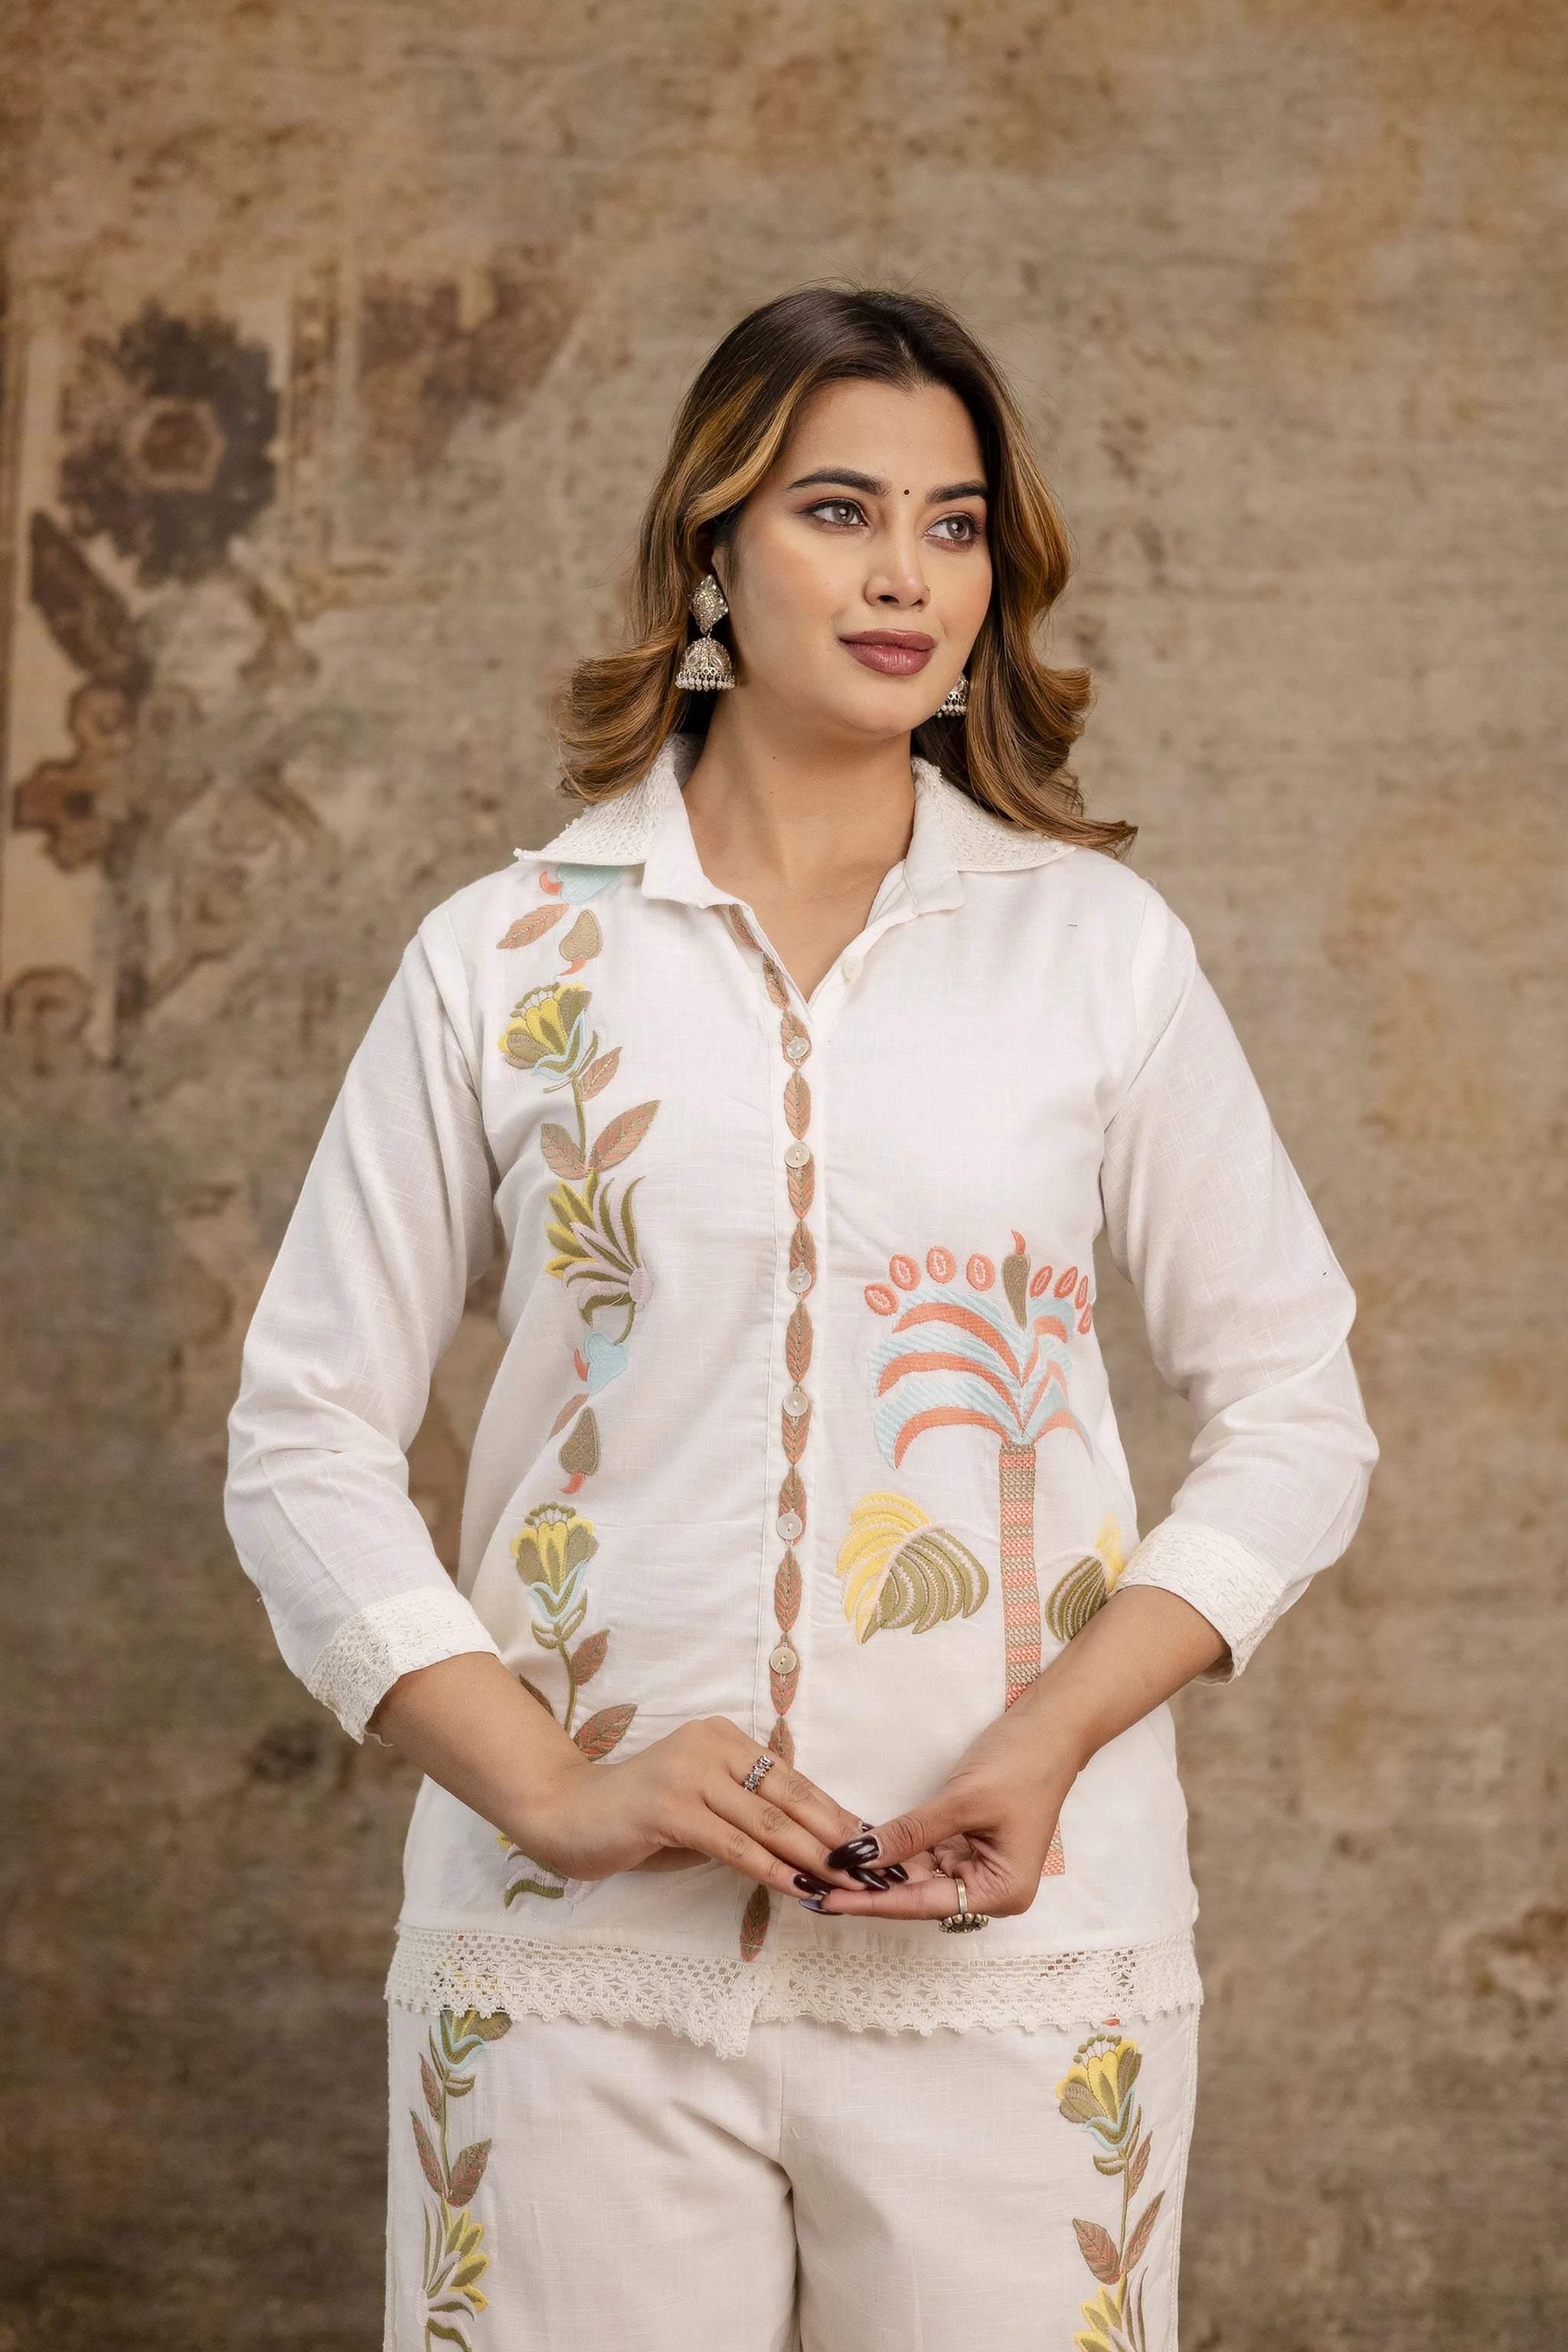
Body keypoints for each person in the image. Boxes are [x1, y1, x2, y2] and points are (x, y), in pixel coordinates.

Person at [225, 283, 1377, 2351]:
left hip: (1013, 1966)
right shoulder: (508, 958)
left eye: (955, 525)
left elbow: (1300, 1409)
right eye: (840, 510)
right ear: (711, 546)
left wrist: (1049, 1738)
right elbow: (303, 1432)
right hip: (573, 1978)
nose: (906, 575)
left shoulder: (1095, 955)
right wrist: (544, 1789)